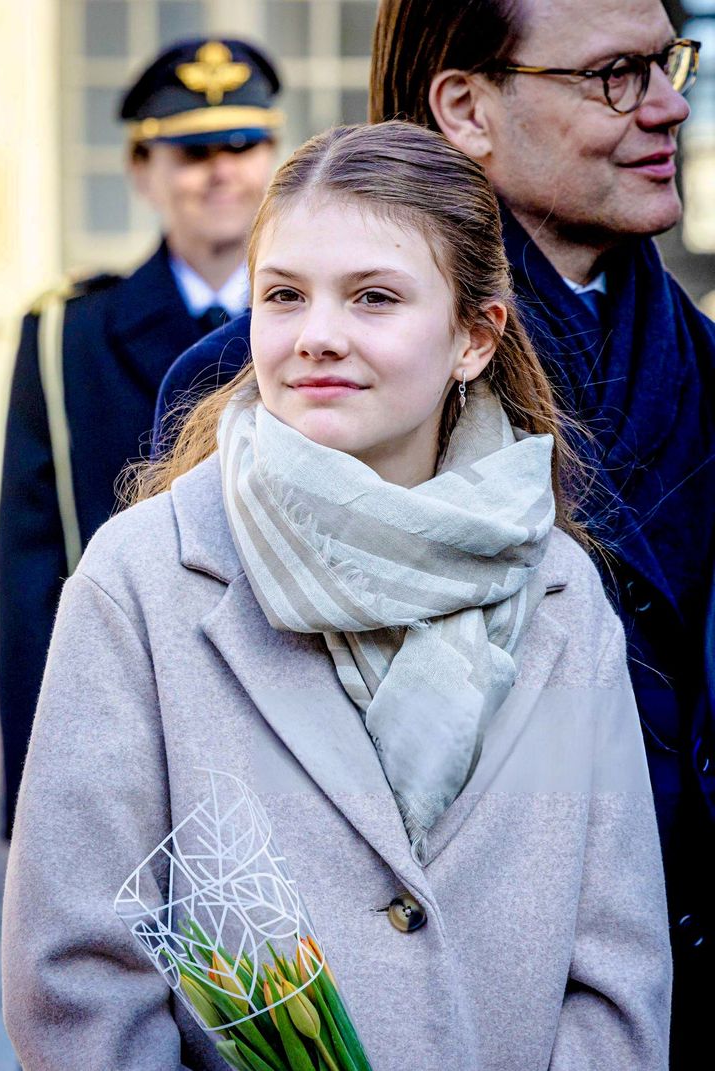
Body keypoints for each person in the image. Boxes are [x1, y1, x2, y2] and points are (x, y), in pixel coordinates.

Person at [3, 122, 670, 1071]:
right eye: (282, 295)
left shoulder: (560, 593)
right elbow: (78, 974)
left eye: (374, 297)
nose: (317, 335)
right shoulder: (144, 578)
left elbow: (616, 968)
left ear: (476, 338)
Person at [155, 4, 715, 1059]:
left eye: (668, 61)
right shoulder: (260, 389)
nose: (668, 102)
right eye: (615, 74)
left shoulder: (708, 378)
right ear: (465, 106)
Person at [0, 36, 283, 837]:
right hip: (132, 708)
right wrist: (36, 793)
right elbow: (31, 575)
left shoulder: (319, 330)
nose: (222, 171)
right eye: (191, 151)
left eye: (244, 143)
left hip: (292, 711)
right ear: (139, 169)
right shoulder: (67, 337)